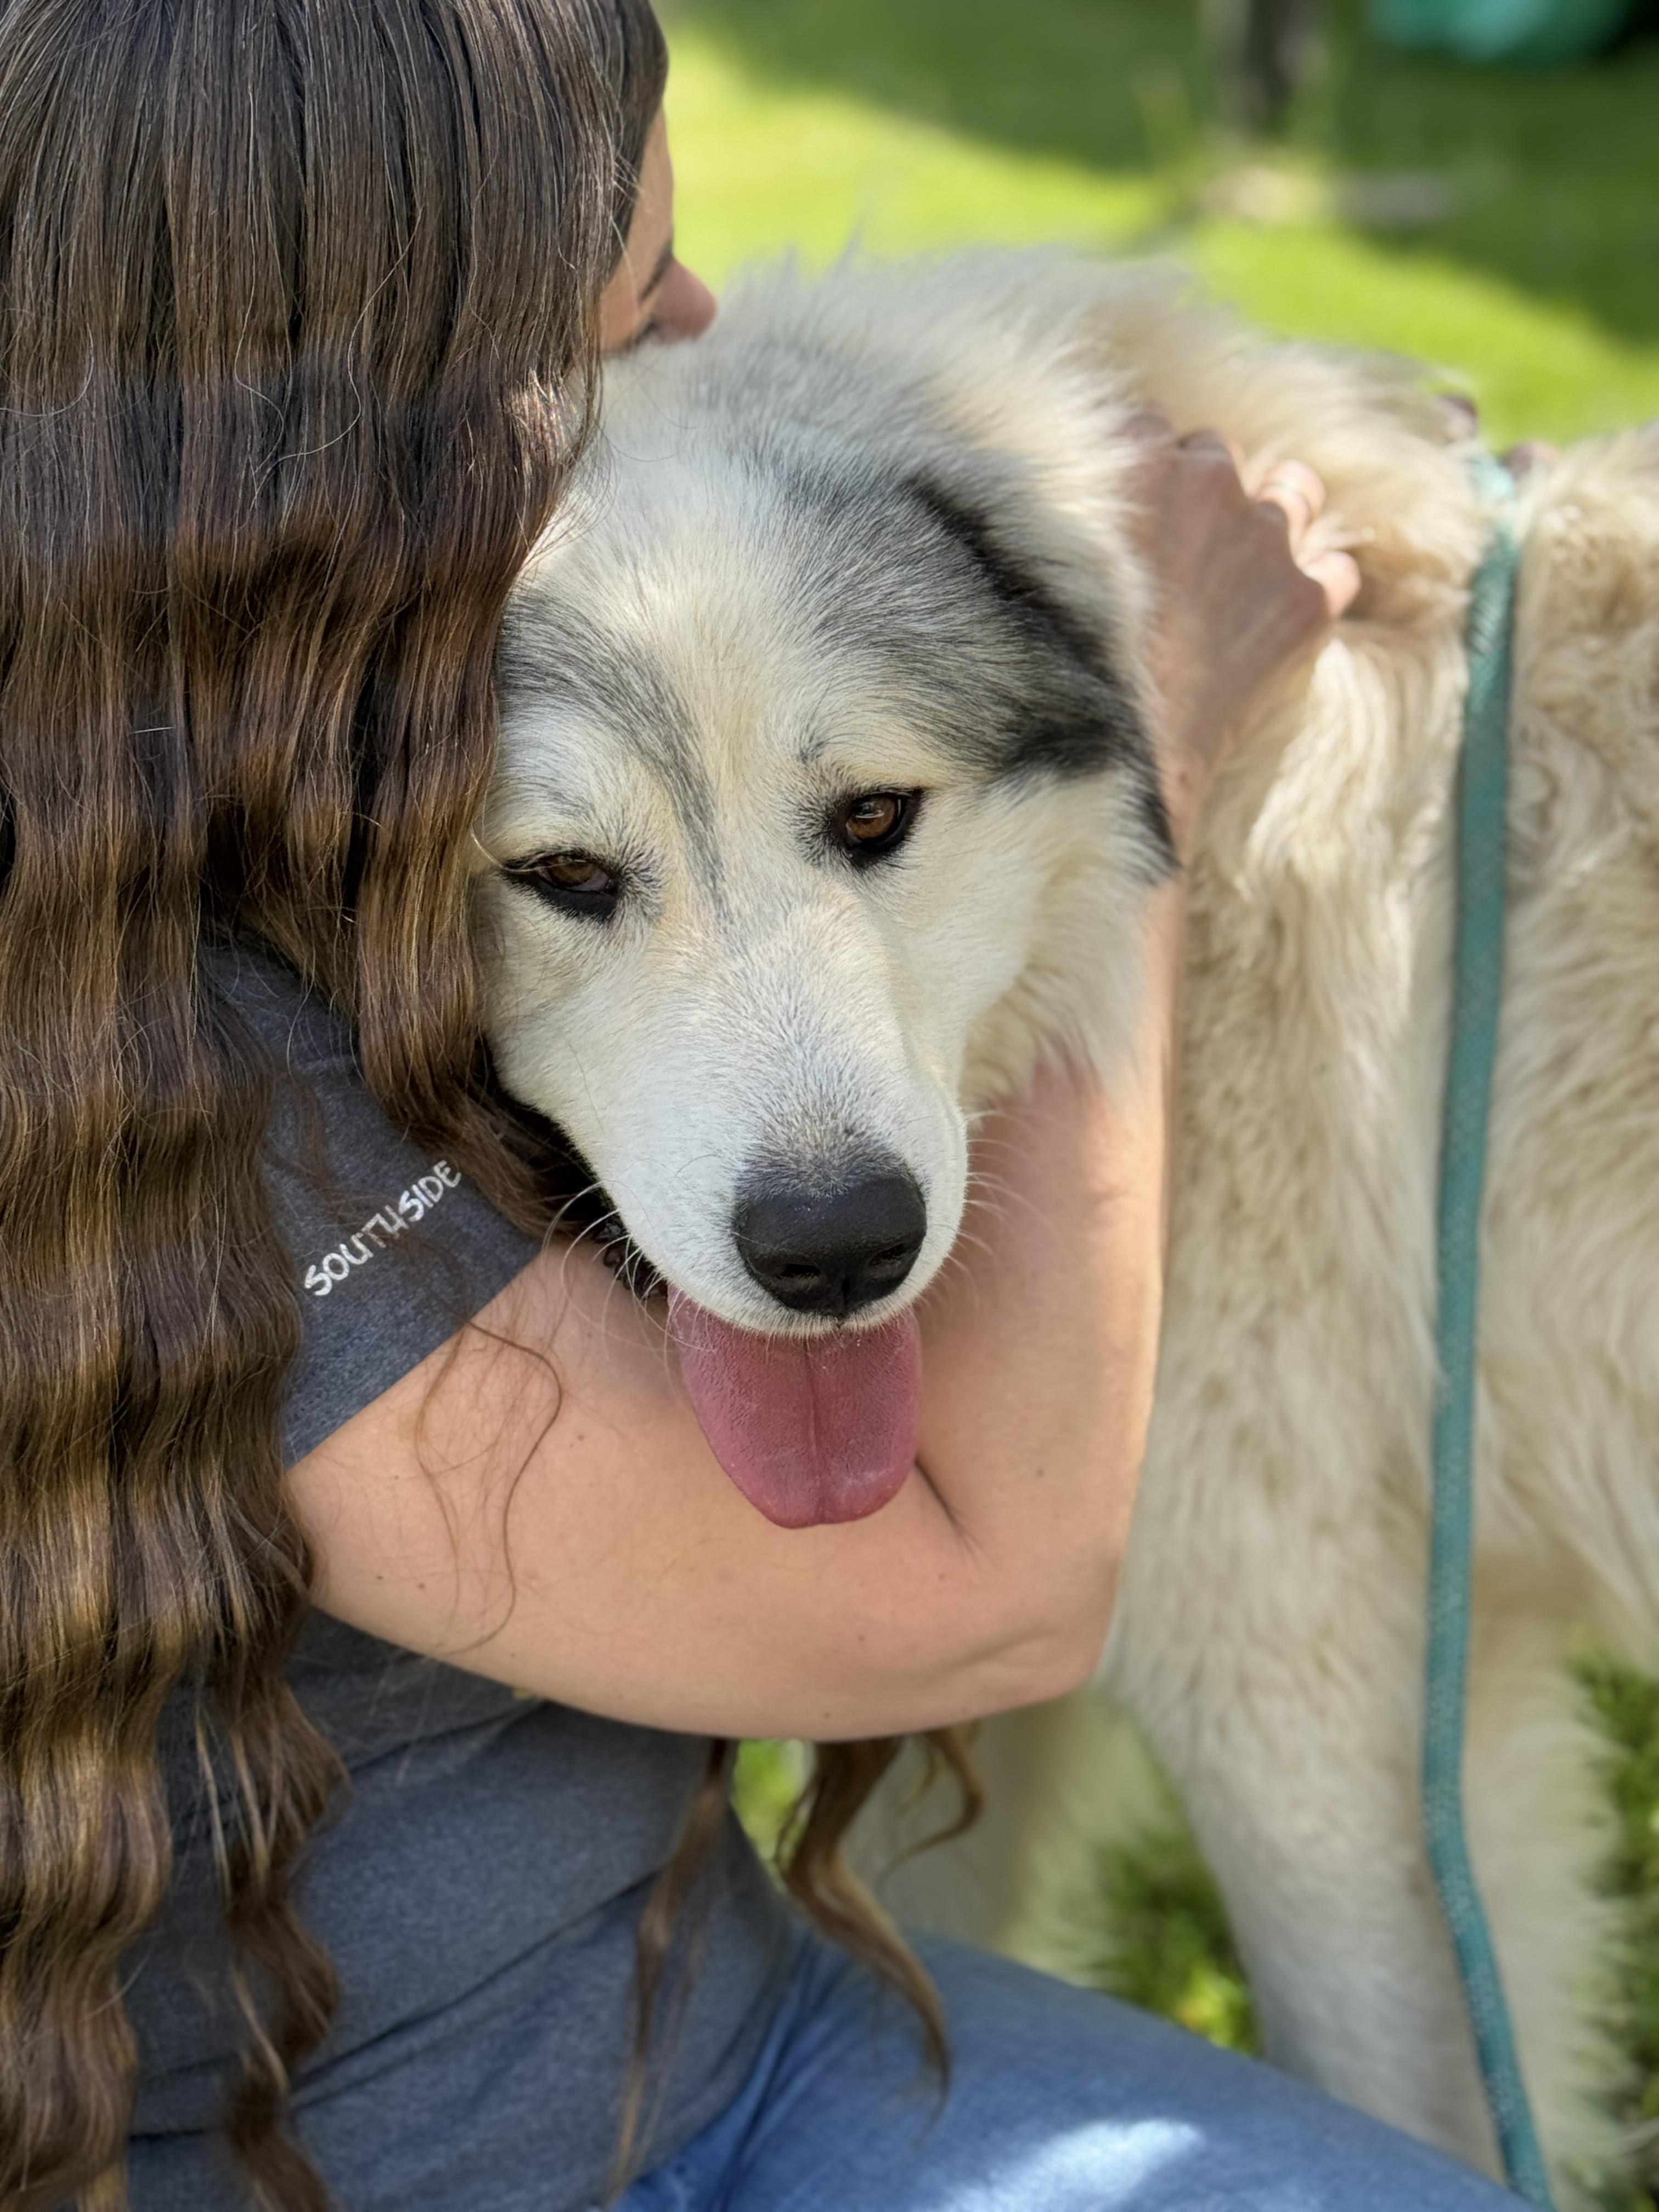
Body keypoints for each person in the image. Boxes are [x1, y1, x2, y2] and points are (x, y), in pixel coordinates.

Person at [0, 4, 1523, 2209]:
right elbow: (968, 1603)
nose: (707, 332)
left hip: (741, 2021)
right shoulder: (167, 1042)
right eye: (625, 307)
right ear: (352, 410)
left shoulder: (259, 744)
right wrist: (1161, 749)